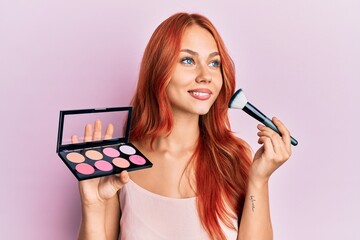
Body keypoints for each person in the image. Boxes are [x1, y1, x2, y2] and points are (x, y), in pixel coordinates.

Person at [76, 12, 292, 240]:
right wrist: (92, 206)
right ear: (159, 69)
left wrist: (259, 180)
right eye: (188, 60)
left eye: (214, 63)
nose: (206, 75)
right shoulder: (120, 161)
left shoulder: (232, 158)